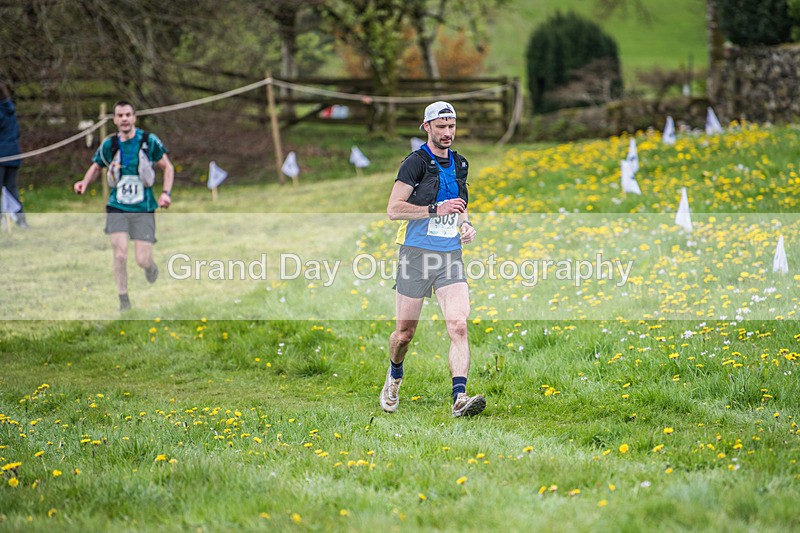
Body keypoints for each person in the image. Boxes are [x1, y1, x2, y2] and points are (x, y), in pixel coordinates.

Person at [381, 101, 485, 418]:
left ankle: (459, 398)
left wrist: (466, 225)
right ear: (427, 127)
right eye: (441, 126)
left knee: (459, 325)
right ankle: (395, 375)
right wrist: (432, 210)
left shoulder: (461, 164)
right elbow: (393, 210)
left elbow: (459, 205)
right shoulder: (414, 164)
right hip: (415, 254)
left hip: (449, 256)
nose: (447, 132)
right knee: (404, 334)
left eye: (451, 126)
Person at [74, 100, 174, 311]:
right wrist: (84, 182)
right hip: (117, 207)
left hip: (143, 208)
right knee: (119, 254)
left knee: (141, 259)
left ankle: (150, 267)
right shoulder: (110, 145)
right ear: (115, 120)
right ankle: (123, 300)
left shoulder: (148, 141)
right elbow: (96, 166)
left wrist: (166, 193)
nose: (124, 119)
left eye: (128, 114)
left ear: (134, 117)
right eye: (120, 115)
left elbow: (168, 167)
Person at [0, 81, 28, 228]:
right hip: (14, 155)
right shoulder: (11, 110)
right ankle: (21, 221)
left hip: (2, 156)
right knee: (11, 189)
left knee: (8, 189)